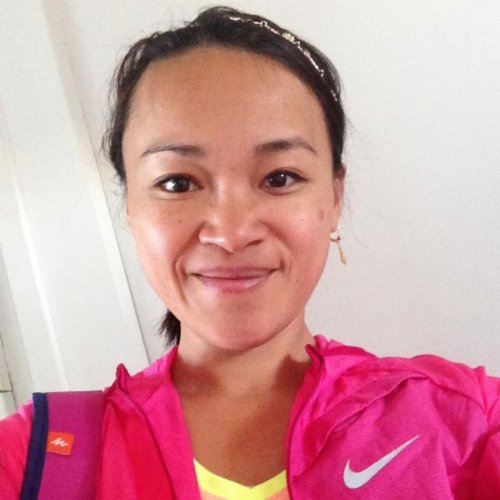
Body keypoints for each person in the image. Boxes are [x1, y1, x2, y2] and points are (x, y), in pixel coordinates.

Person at [1, 6, 499, 499]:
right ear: (130, 208)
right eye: (177, 183)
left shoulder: (468, 426)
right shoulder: (31, 459)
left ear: (334, 197)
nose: (232, 233)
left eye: (280, 178)